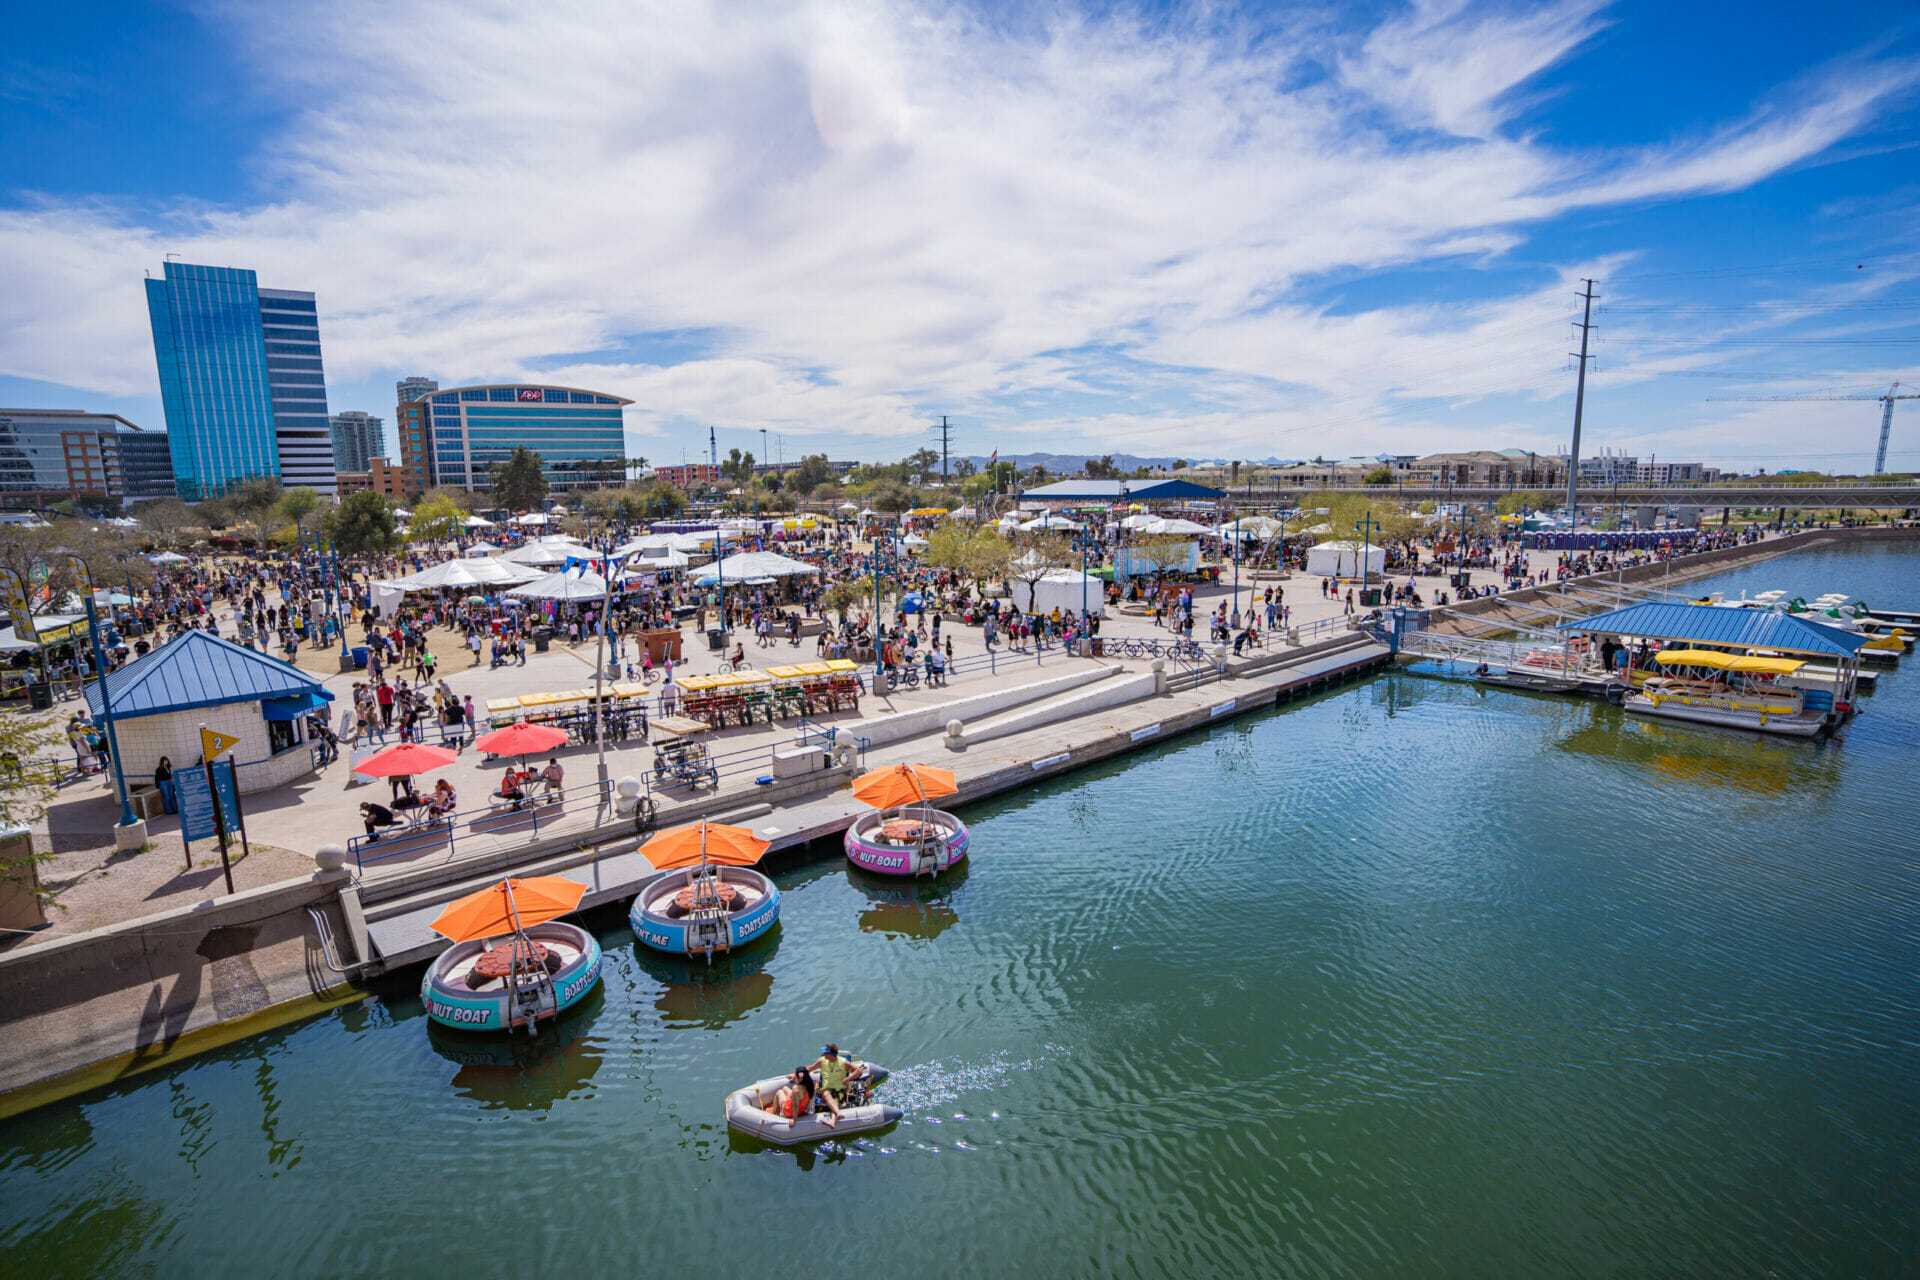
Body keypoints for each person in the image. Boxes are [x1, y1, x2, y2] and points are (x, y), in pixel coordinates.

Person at [807, 1044, 860, 1122]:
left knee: (835, 1100)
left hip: (840, 1090)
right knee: (827, 1095)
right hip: (826, 1089)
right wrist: (798, 1072)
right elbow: (810, 1068)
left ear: (831, 1055)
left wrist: (848, 1078)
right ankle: (838, 1114)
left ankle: (832, 1121)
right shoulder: (821, 1061)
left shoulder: (843, 1062)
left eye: (825, 1053)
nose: (823, 1054)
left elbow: (858, 1071)